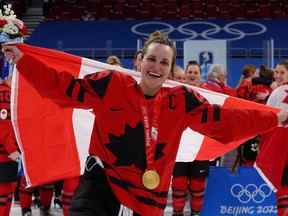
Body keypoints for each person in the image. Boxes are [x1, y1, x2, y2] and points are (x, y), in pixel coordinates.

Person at [3, 31, 288, 216]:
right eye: (151, 59)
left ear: (170, 69)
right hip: (101, 185)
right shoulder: (111, 84)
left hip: (148, 196)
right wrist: (24, 60)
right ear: (140, 62)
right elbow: (62, 87)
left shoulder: (181, 100)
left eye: (164, 63)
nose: (156, 67)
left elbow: (224, 121)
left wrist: (274, 117)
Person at [172, 60, 209, 216]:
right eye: (190, 72)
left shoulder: (208, 95)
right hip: (180, 148)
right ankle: (177, 213)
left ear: (200, 76)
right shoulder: (175, 93)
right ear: (185, 75)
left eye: (195, 72)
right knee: (179, 185)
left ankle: (195, 214)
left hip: (200, 149)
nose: (192, 75)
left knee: (197, 186)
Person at [256, 60, 288, 216]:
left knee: (282, 187)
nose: (278, 75)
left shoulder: (277, 93)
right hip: (281, 147)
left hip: (281, 147)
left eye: (282, 72)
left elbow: (267, 120)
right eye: (276, 72)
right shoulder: (275, 92)